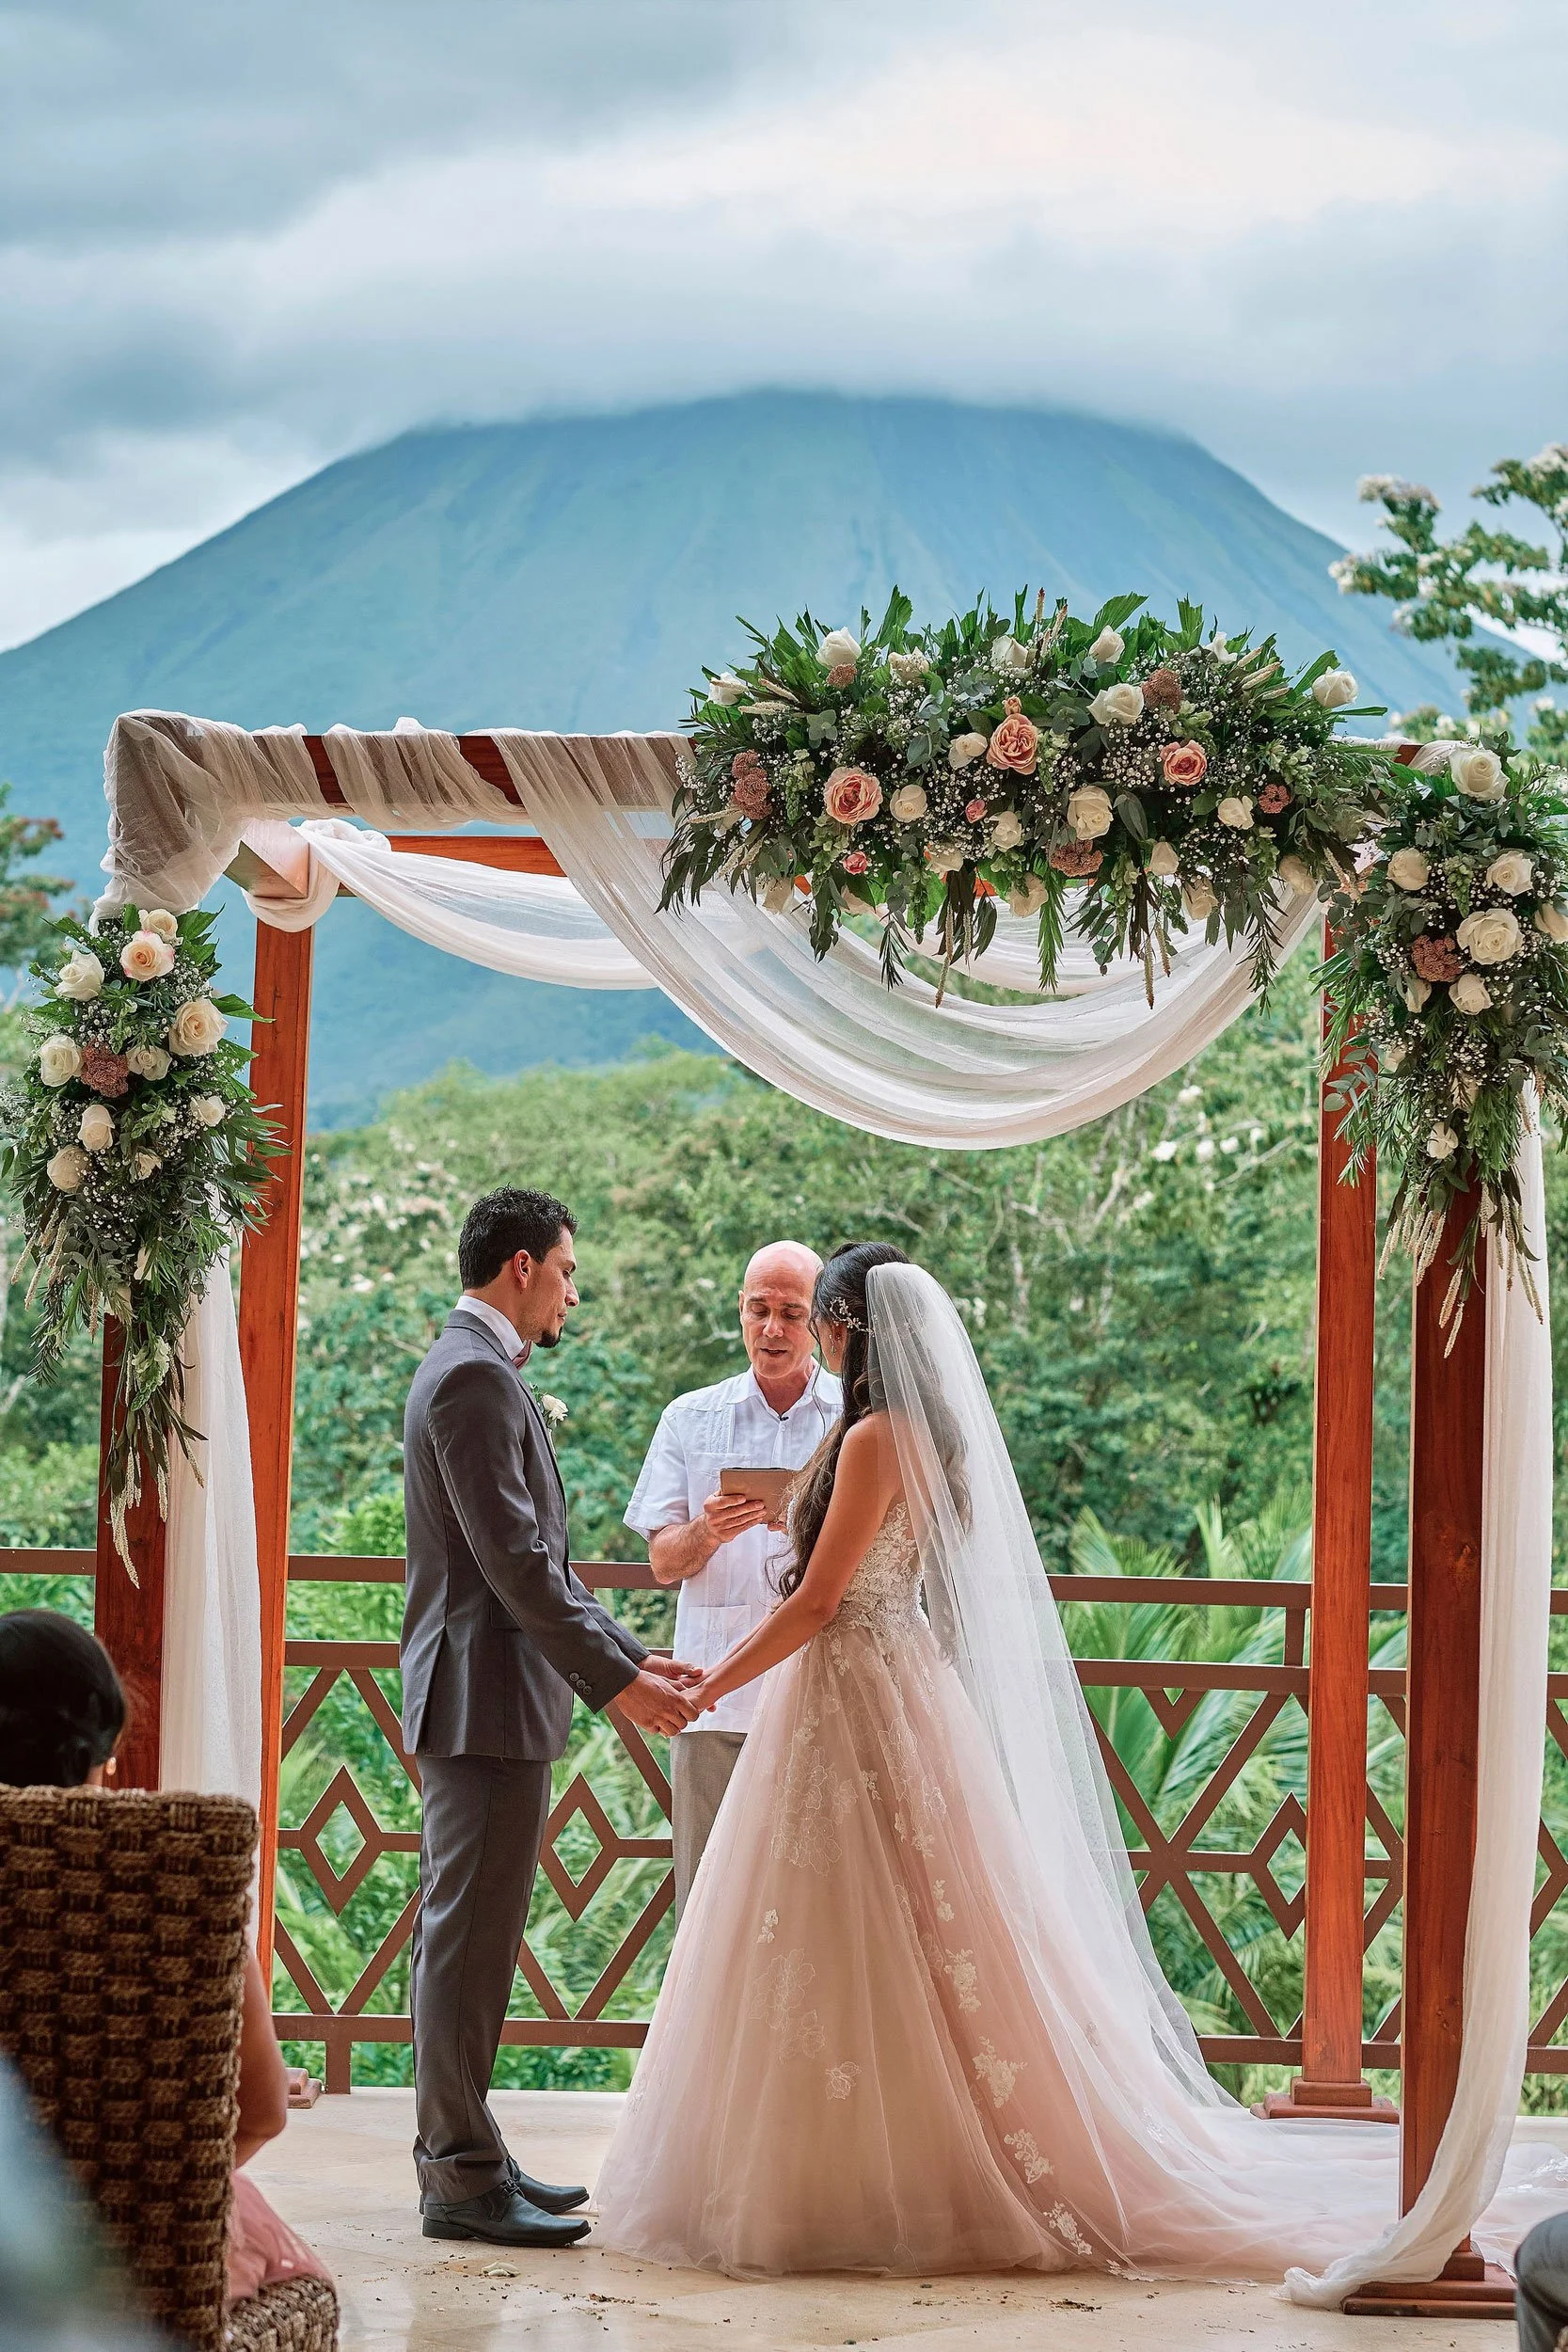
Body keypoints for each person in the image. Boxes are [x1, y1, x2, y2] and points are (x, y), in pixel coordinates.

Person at [592, 1245, 1568, 2283]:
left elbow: (821, 1600)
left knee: (854, 1925)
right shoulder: (912, 1435)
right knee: (900, 1927)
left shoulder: (877, 1436)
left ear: (848, 1327)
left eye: (821, 1318)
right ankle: (879, 2150)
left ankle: (865, 2173)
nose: (814, 1336)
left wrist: (706, 1680)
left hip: (850, 1685)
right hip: (884, 1686)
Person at [402, 1184, 701, 2250]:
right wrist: (618, 1688)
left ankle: (470, 2153)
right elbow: (519, 1567)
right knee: (463, 1942)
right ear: (520, 1266)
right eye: (566, 1270)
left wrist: (629, 1651)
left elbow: (543, 1565)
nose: (572, 1291)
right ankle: (458, 2179)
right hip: (479, 1703)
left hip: (489, 1698)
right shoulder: (474, 1381)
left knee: (474, 1942)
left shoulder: (473, 1370)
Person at [0, 1610, 328, 2308]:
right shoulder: (167, 1869)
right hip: (129, 2262)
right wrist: (148, 2214)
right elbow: (263, 2111)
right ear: (99, 1749)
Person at [626, 1240, 840, 1917]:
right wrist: (708, 1531)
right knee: (708, 1905)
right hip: (713, 1699)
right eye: (757, 1310)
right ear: (738, 1312)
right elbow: (662, 1562)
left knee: (815, 1908)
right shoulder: (690, 1416)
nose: (771, 1329)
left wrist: (807, 1529)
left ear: (818, 1321)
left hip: (823, 1696)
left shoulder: (852, 1419)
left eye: (790, 1312)